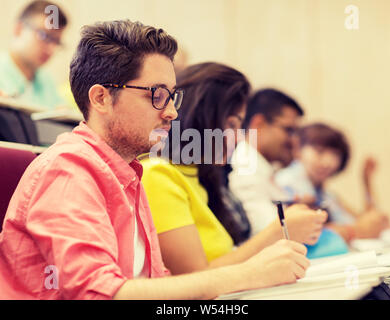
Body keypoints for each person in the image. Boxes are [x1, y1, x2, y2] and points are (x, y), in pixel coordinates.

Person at [0, 20, 310, 300]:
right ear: (101, 98)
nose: (172, 112)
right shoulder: (67, 170)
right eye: (156, 94)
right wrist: (249, 274)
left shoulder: (129, 172)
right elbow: (98, 293)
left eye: (173, 96)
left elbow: (155, 283)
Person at [140, 64, 326, 275]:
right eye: (231, 125)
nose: (238, 138)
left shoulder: (200, 177)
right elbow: (194, 279)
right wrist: (278, 232)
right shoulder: (157, 174)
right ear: (200, 119)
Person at [229, 89, 327, 238]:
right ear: (259, 124)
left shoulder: (262, 168)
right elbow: (271, 234)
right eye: (289, 130)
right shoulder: (244, 168)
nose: (294, 141)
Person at [275, 123, 390, 242]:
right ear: (298, 149)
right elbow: (305, 233)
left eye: (335, 154)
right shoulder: (288, 182)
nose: (327, 162)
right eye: (319, 152)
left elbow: (363, 222)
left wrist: (366, 181)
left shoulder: (326, 194)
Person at [0, 0, 68, 109]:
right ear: (19, 29)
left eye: (56, 42)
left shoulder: (46, 82)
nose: (51, 49)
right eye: (45, 36)